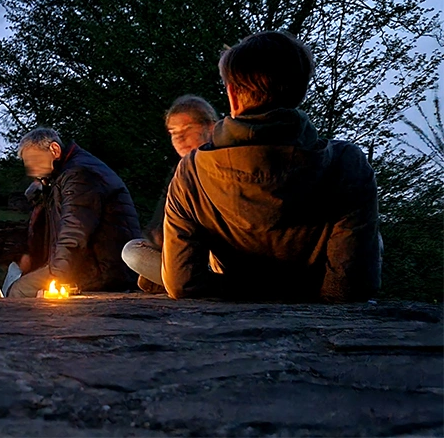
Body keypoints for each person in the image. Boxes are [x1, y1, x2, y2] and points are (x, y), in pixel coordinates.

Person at [162, 30, 381, 302]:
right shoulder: (348, 163)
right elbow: (351, 285)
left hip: (231, 299)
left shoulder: (192, 170)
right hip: (313, 306)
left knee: (135, 253)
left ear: (232, 94)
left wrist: (244, 291)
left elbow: (182, 283)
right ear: (300, 90)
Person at [6, 128, 142, 297]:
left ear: (54, 150)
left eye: (34, 160)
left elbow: (74, 234)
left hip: (103, 270)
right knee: (20, 282)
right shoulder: (64, 175)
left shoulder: (79, 175)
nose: (32, 169)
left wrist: (56, 278)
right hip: (92, 265)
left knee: (18, 290)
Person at [122, 95, 219, 293]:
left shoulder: (222, 162)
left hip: (221, 256)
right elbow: (159, 228)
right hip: (188, 255)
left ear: (210, 126)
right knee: (133, 251)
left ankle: (186, 282)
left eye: (187, 129)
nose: (179, 138)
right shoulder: (179, 171)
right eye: (173, 132)